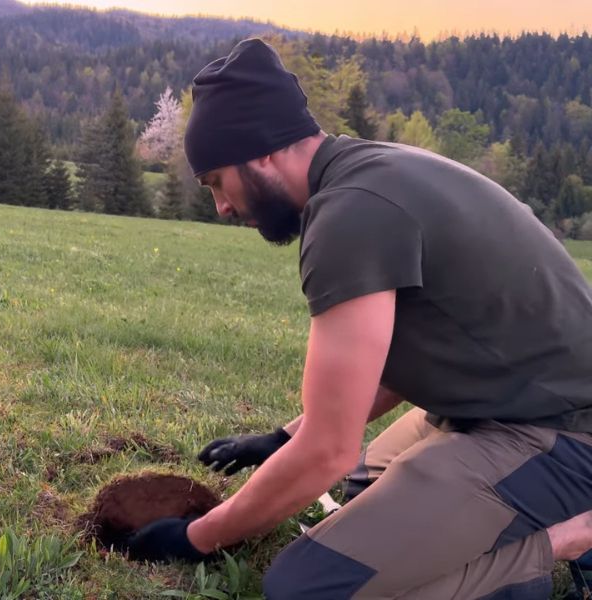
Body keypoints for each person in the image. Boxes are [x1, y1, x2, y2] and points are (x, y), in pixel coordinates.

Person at [125, 38, 592, 599]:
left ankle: (565, 539)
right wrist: (280, 438)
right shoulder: (371, 172)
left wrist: (200, 538)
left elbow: (327, 448)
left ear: (262, 153)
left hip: (559, 435)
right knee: (361, 487)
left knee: (306, 588)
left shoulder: (350, 214)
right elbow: (399, 355)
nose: (222, 206)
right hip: (496, 406)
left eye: (217, 182)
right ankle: (499, 546)